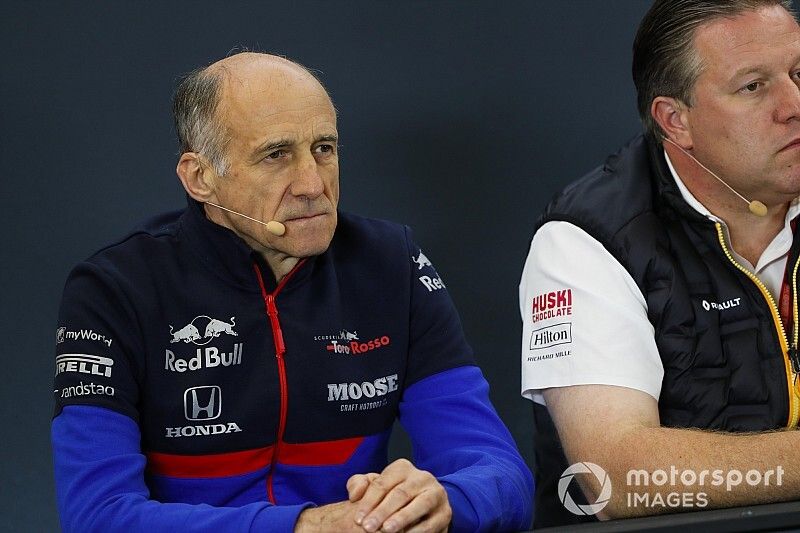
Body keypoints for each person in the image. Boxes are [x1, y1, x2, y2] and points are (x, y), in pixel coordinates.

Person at [52, 52, 533, 533]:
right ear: (200, 178)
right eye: (276, 155)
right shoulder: (115, 288)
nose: (312, 184)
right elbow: (98, 516)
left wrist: (445, 502)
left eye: (324, 148)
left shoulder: (393, 265)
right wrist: (304, 527)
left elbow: (503, 475)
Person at [519, 0, 800, 527]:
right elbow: (619, 479)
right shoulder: (586, 239)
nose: (794, 104)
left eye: (799, 73)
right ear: (676, 121)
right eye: (754, 87)